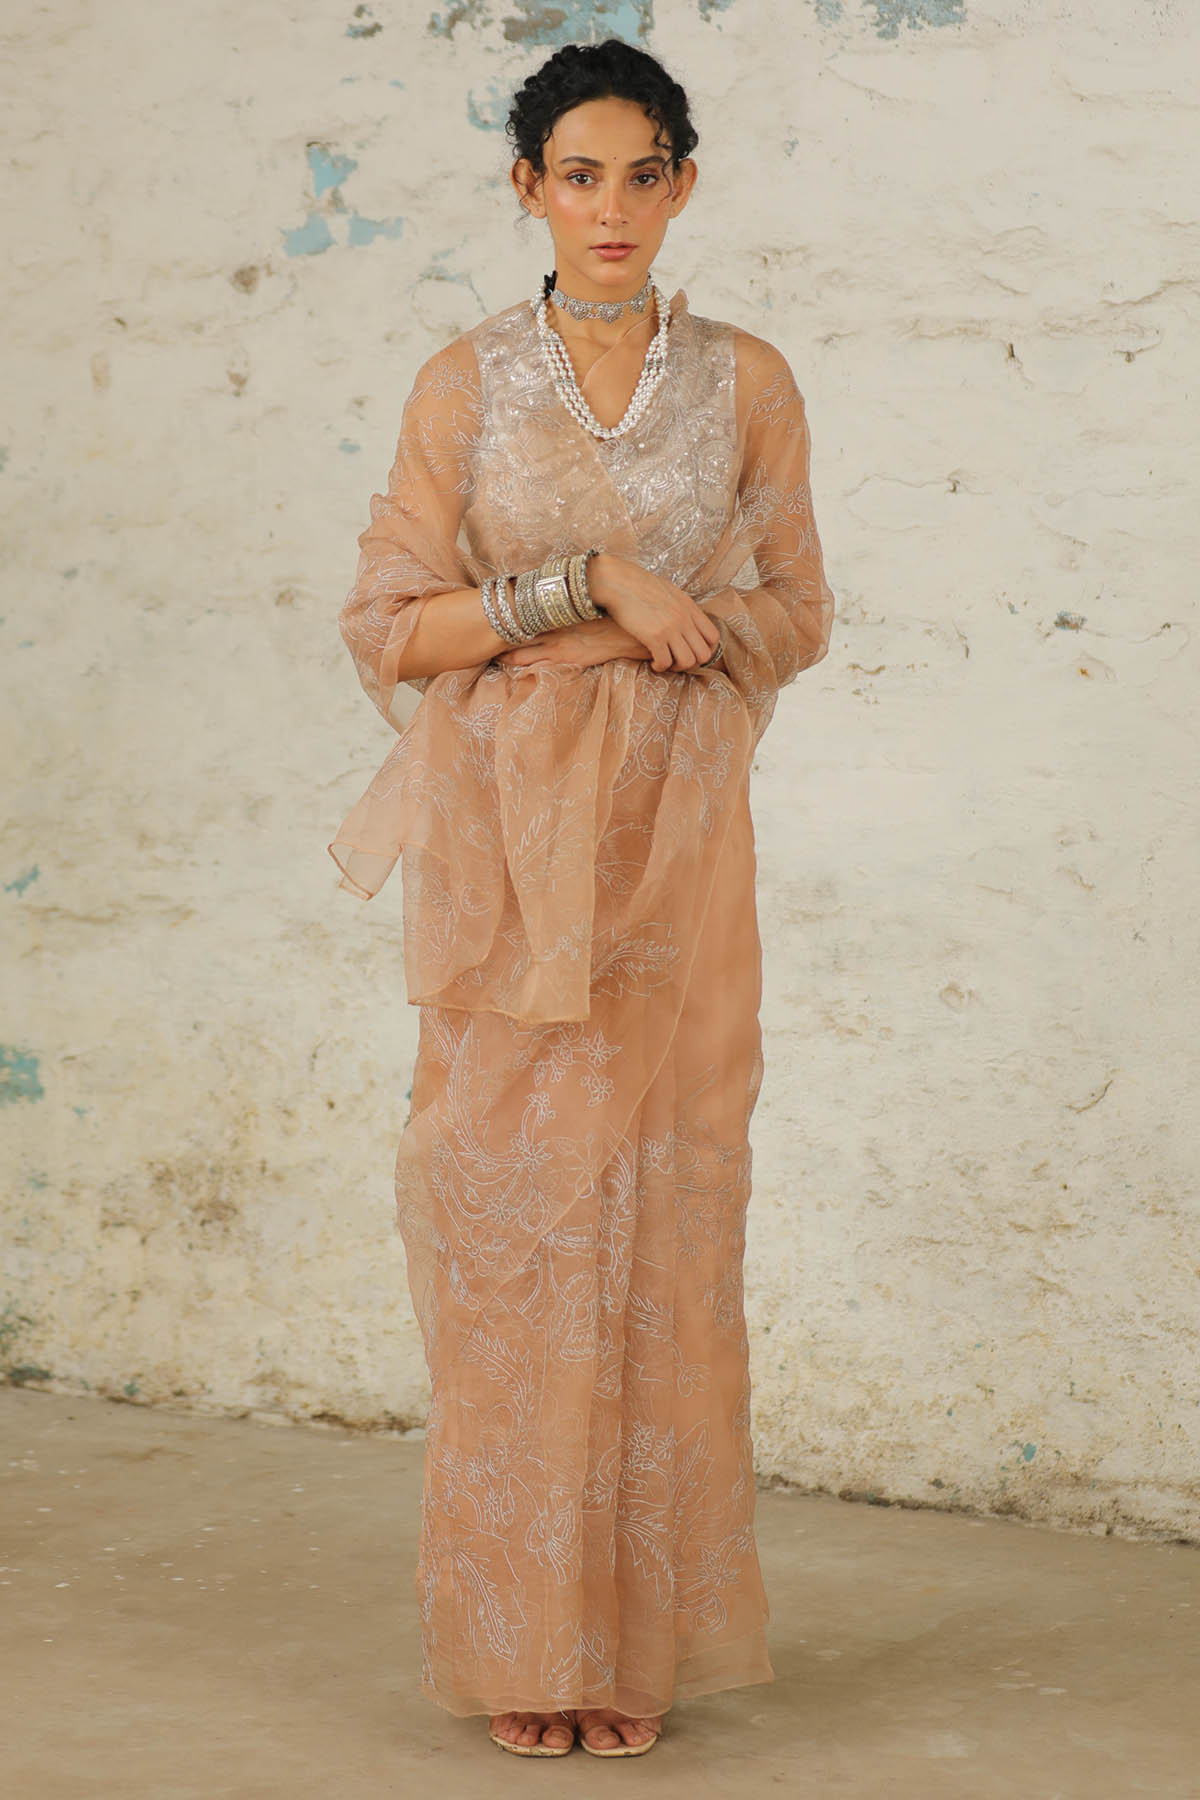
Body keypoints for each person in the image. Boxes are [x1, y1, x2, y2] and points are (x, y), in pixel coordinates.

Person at [328, 37, 836, 1761]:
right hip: (501, 864)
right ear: (528, 189)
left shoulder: (749, 381)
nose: (610, 207)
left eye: (642, 173)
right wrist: (591, 587)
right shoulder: (465, 384)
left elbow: (791, 612)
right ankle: (516, 1643)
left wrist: (661, 622)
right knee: (513, 1238)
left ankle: (634, 1652)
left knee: (664, 1229)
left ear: (682, 184)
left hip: (679, 866)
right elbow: (393, 621)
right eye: (577, 173)